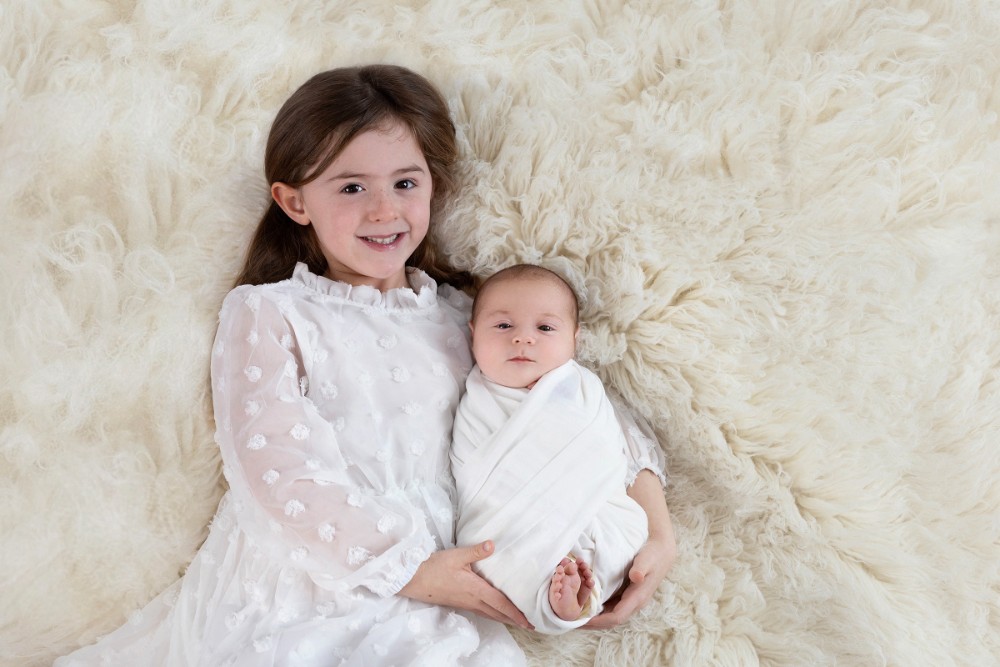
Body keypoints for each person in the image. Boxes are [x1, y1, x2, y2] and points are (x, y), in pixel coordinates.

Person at [56, 64, 673, 666]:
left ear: (433, 185)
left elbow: (574, 406)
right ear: (294, 201)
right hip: (311, 575)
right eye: (352, 188)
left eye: (405, 184)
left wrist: (656, 529)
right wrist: (408, 569)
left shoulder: (469, 316)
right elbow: (274, 468)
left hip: (447, 587)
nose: (384, 211)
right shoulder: (272, 312)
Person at [451, 264, 674, 634]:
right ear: (473, 334)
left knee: (619, 535)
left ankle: (576, 590)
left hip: (595, 510)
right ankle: (562, 597)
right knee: (494, 556)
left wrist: (661, 535)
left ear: (574, 339)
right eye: (503, 326)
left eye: (545, 328)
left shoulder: (582, 391)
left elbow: (607, 453)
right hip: (507, 519)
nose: (523, 339)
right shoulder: (476, 400)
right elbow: (475, 482)